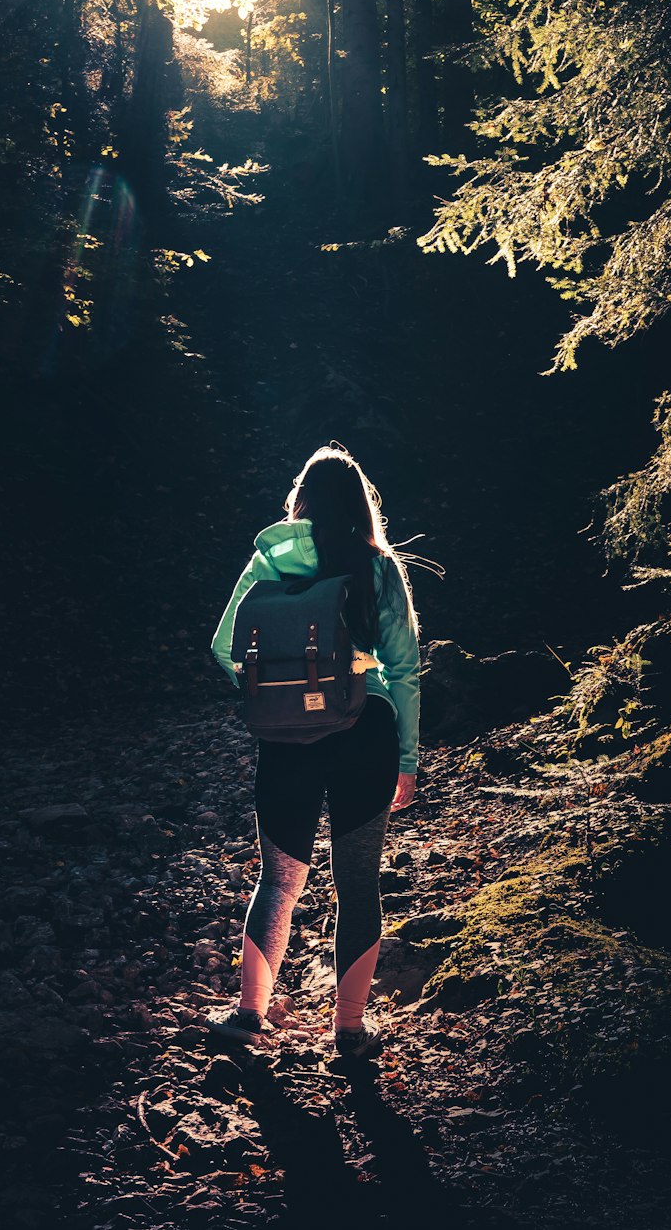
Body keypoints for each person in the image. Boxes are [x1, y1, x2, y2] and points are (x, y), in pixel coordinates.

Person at [203, 443, 423, 1062]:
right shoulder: (378, 566)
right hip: (368, 732)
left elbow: (224, 645)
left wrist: (279, 694)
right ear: (362, 504)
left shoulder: (268, 561)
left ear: (300, 501)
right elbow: (403, 670)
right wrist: (407, 759)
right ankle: (349, 1031)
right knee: (358, 881)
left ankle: (249, 1016)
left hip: (285, 740)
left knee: (280, 877)